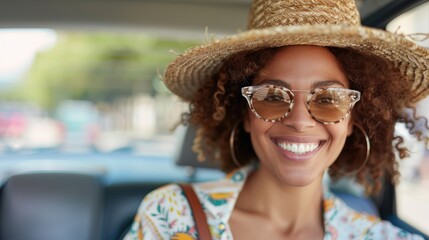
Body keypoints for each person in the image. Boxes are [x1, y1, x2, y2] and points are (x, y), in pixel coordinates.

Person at [124, 0, 429, 239]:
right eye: (271, 97)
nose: (299, 120)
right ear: (244, 114)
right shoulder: (172, 218)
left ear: (352, 119)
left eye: (327, 100)